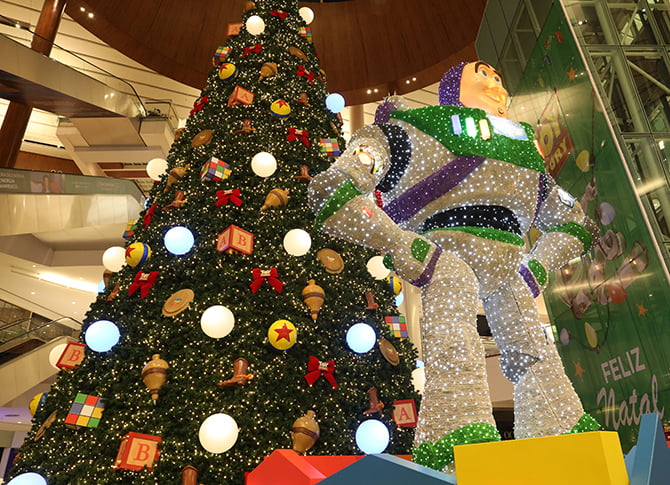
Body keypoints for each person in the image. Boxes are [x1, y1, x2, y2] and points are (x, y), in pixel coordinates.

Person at [308, 61, 600, 470]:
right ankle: (457, 436)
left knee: (535, 352)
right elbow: (331, 190)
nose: (496, 84)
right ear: (452, 88)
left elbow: (576, 224)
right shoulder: (410, 129)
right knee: (454, 345)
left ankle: (560, 431)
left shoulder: (527, 154)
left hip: (509, 270)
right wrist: (401, 243)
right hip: (446, 261)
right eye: (483, 75)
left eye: (499, 77)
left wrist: (538, 266)